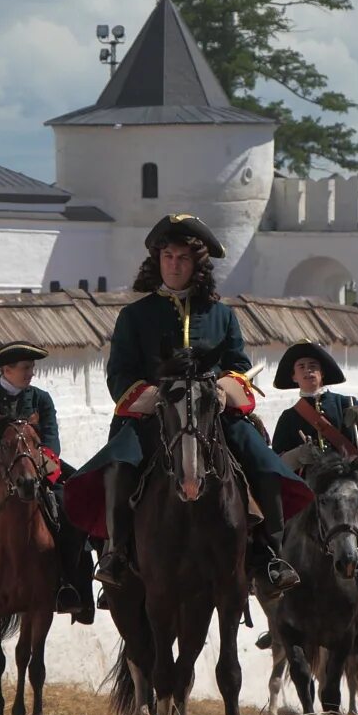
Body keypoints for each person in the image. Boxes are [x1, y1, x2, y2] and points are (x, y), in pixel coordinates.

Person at [89, 214, 306, 594]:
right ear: (157, 261)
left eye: (183, 258)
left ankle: (269, 555)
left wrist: (223, 390)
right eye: (168, 256)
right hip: (150, 417)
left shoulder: (222, 316)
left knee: (265, 463)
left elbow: (238, 364)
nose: (174, 265)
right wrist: (154, 398)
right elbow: (119, 373)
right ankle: (116, 552)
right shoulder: (133, 316)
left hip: (213, 416)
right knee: (118, 467)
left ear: (197, 265)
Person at [271, 343, 358, 649]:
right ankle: (278, 613)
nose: (308, 371)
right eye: (302, 367)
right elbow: (277, 461)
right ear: (294, 377)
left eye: (313, 366)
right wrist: (297, 454)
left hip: (347, 490)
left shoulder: (345, 402)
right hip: (309, 494)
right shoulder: (289, 417)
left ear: (323, 374)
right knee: (275, 545)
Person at [0, 343, 92, 625]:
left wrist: (40, 464)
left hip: (36, 471)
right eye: (25, 367)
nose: (30, 373)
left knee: (74, 516)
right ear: (6, 369)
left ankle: (71, 587)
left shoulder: (41, 399)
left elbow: (51, 439)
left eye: (32, 367)